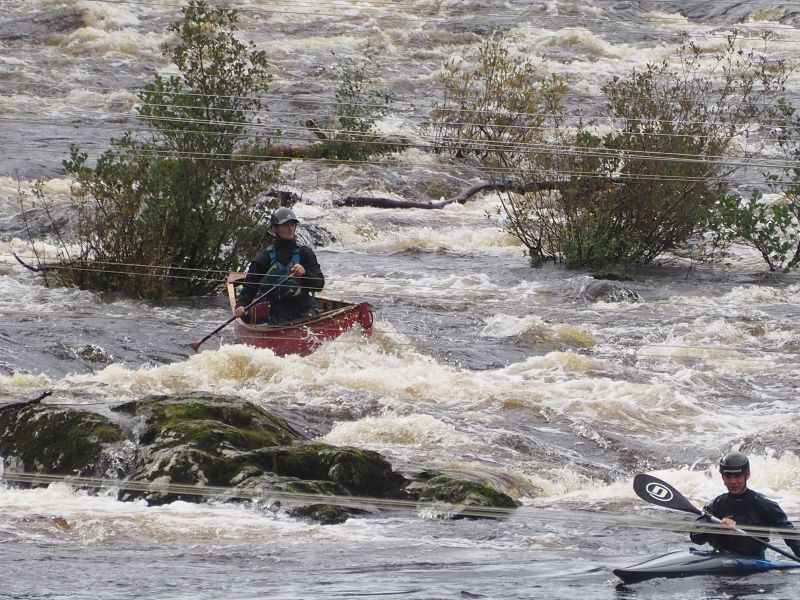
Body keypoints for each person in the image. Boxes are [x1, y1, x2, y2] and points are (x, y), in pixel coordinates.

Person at [689, 452, 800, 559]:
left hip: (754, 565)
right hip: (719, 560)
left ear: (747, 475)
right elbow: (695, 536)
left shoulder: (764, 505)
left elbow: (791, 536)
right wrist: (717, 528)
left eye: (737, 476)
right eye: (728, 476)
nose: (733, 481)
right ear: (722, 478)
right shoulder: (715, 505)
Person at [234, 207, 324, 324]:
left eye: (293, 224)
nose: (290, 228)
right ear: (274, 228)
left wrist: (304, 273)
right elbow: (250, 287)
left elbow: (319, 284)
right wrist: (241, 305)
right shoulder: (263, 258)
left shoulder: (305, 253)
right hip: (276, 314)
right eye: (285, 225)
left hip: (304, 310)